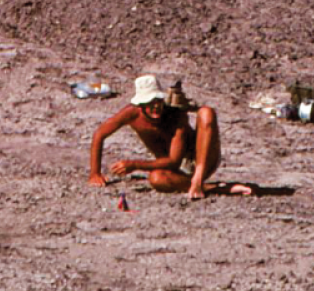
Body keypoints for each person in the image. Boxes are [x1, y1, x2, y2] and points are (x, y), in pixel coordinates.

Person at [88, 75, 251, 199]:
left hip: (201, 159)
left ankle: (198, 180)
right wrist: (95, 173)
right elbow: (99, 134)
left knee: (206, 112)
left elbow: (175, 160)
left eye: (158, 101)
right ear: (140, 105)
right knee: (156, 178)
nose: (155, 107)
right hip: (173, 170)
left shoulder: (176, 117)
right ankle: (214, 187)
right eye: (149, 103)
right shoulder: (131, 114)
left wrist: (135, 164)